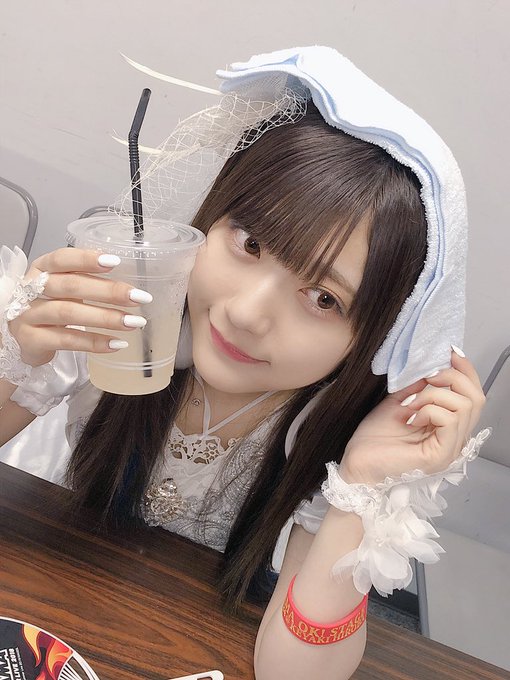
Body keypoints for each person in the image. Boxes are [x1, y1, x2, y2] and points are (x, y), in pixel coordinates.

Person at [0, 47, 489, 680]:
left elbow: (294, 675)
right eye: (251, 243)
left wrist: (363, 489)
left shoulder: (334, 435)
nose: (247, 313)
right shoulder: (124, 317)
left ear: (378, 334)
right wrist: (19, 354)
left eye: (324, 298)